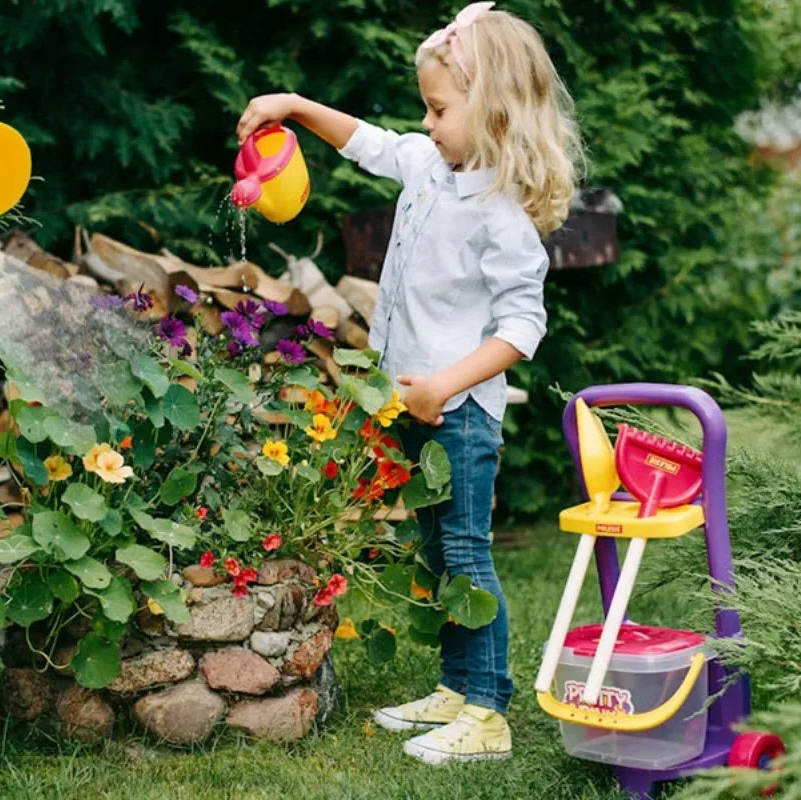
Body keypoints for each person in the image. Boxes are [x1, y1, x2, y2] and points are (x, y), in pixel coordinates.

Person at [235, 3, 584, 764]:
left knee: (466, 555)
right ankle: (456, 688)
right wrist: (293, 105)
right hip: (412, 404)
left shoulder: (501, 215)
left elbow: (522, 328)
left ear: (493, 110)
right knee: (436, 555)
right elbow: (365, 141)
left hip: (457, 414)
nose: (426, 123)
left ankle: (488, 712)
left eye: (439, 109)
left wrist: (443, 388)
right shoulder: (429, 166)